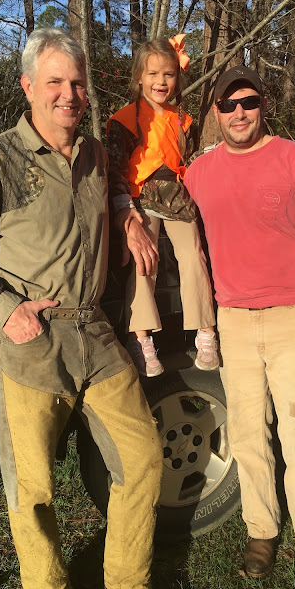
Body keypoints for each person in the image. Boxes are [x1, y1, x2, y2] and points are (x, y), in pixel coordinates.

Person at [0, 28, 168, 589]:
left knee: (142, 458)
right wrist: (4, 309)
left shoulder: (94, 155)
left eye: (78, 83)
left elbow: (119, 189)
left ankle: (126, 585)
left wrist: (127, 216)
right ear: (28, 86)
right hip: (32, 343)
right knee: (33, 490)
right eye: (55, 82)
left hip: (95, 331)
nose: (69, 94)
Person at [184, 65, 295, 589]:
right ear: (215, 112)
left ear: (263, 105)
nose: (239, 113)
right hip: (233, 321)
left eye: (248, 101)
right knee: (249, 435)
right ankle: (261, 530)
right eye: (228, 105)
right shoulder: (200, 172)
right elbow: (166, 214)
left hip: (294, 317)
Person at [106, 35, 218, 377]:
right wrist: (124, 206)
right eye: (153, 74)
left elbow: (189, 160)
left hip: (177, 196)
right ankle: (142, 338)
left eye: (169, 74)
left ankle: (205, 330)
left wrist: (209, 157)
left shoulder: (182, 119)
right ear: (139, 77)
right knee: (145, 260)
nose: (161, 81)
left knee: (194, 254)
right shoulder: (124, 119)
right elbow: (115, 168)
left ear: (177, 79)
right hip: (140, 196)